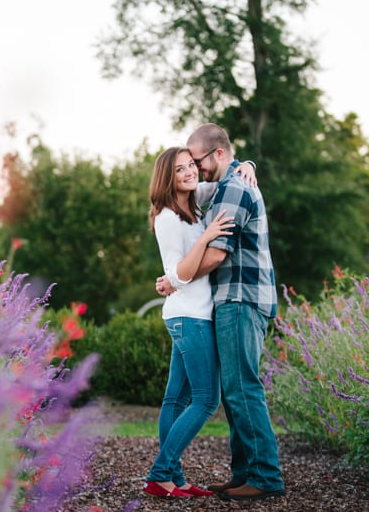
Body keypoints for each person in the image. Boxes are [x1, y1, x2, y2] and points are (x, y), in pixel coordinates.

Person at [156, 123, 285, 501]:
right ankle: (245, 472)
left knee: (241, 387)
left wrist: (174, 280)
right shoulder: (224, 184)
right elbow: (185, 190)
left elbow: (215, 253)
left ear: (217, 155)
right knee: (232, 391)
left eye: (196, 160)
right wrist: (248, 161)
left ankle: (265, 476)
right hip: (234, 298)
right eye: (186, 164)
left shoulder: (233, 186)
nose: (194, 168)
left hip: (240, 298)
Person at [142, 146, 255, 499]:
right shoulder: (168, 217)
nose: (190, 172)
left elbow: (225, 174)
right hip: (189, 316)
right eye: (180, 169)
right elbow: (181, 272)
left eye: (191, 165)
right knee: (206, 400)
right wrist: (206, 238)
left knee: (175, 400)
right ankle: (161, 473)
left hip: (187, 313)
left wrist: (248, 165)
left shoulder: (192, 206)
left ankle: (172, 478)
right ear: (167, 177)